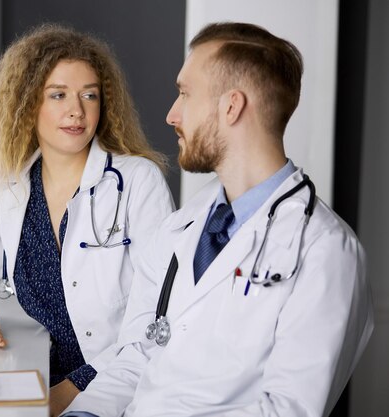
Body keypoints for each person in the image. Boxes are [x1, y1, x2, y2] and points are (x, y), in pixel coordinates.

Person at [62, 22, 374, 417]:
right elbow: (135, 356)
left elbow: (288, 409)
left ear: (232, 106)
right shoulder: (181, 228)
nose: (171, 115)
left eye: (185, 94)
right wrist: (84, 412)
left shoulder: (325, 250)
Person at [0, 24, 175, 414]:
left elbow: (156, 317)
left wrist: (70, 392)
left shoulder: (136, 181)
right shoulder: (10, 188)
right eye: (58, 94)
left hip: (114, 383)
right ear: (28, 102)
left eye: (89, 95)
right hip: (31, 375)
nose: (76, 111)